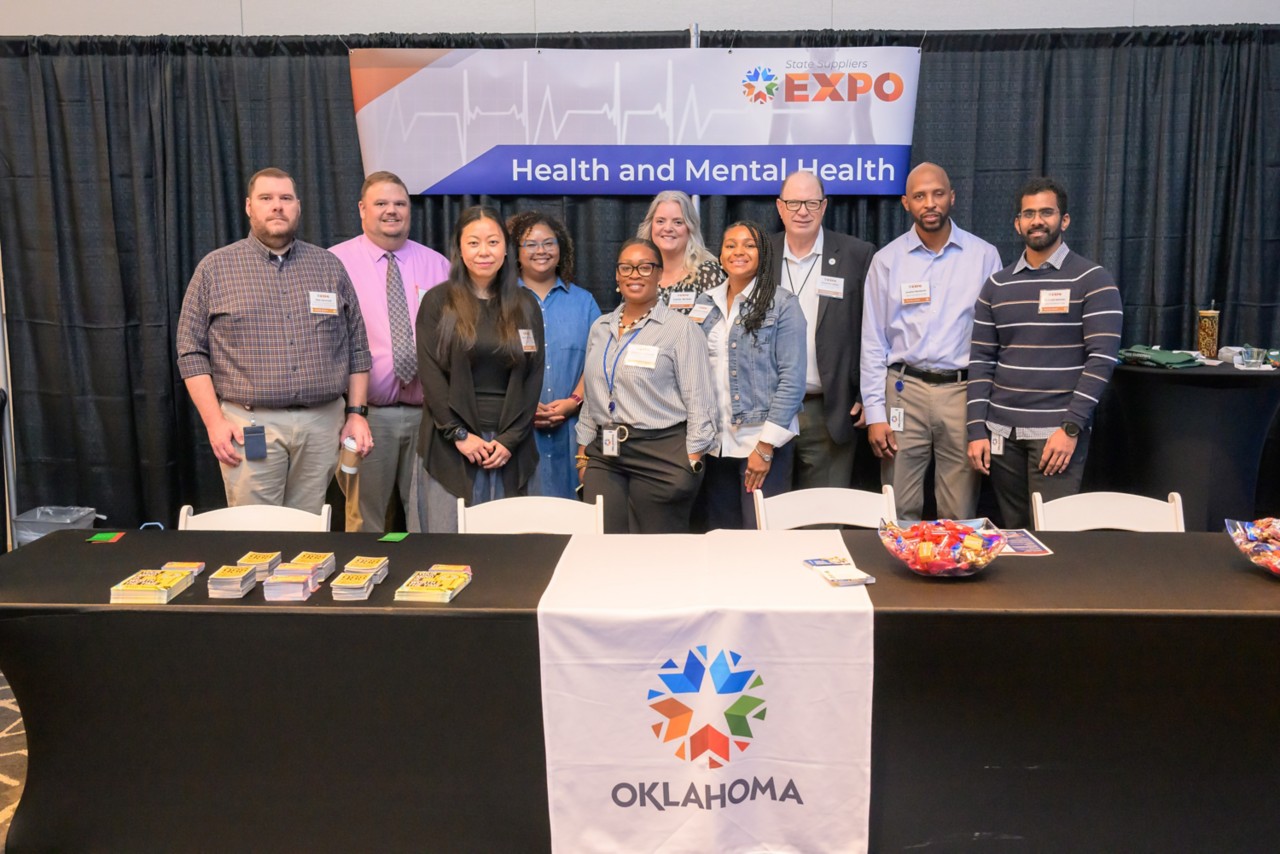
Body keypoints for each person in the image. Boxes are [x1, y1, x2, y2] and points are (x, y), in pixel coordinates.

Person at [177, 167, 372, 513]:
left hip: (321, 425)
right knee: (257, 533)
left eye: (285, 198)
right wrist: (213, 422)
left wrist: (357, 413)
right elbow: (191, 351)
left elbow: (357, 347)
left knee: (309, 530)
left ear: (298, 206)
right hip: (249, 426)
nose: (277, 206)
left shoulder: (329, 267)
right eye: (266, 198)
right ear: (249, 207)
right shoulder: (215, 268)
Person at [966, 177, 1124, 528]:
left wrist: (1070, 428)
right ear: (1017, 223)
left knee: (1055, 536)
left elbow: (1101, 360)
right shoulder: (997, 285)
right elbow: (981, 362)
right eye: (1028, 213)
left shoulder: (1094, 280)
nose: (1037, 220)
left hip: (1056, 434)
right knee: (1014, 532)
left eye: (1046, 212)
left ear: (1063, 220)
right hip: (1000, 434)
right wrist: (976, 431)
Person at [860, 162, 1003, 521]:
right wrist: (875, 412)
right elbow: (873, 340)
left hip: (962, 393)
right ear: (905, 203)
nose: (930, 203)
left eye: (938, 193)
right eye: (920, 196)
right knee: (900, 505)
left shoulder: (984, 256)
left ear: (952, 197)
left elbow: (997, 339)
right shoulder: (886, 261)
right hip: (903, 391)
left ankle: (956, 572)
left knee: (959, 506)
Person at [329, 171, 450, 532]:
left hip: (427, 417)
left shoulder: (438, 265)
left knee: (427, 519)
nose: (391, 211)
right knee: (366, 521)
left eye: (400, 203)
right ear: (362, 209)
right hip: (366, 417)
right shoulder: (333, 263)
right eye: (381, 203)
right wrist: (354, 410)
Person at [416, 206, 544, 532]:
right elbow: (431, 376)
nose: (484, 252)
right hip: (452, 445)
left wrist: (510, 440)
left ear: (506, 249)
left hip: (508, 448)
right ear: (459, 249)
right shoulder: (437, 302)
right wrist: (459, 435)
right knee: (450, 549)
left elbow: (533, 376)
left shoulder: (526, 305)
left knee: (509, 553)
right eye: (473, 243)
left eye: (493, 242)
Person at [577, 238, 717, 533]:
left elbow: (700, 402)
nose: (634, 274)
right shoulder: (600, 328)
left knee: (658, 556)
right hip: (607, 453)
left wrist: (691, 460)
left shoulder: (681, 329)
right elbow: (593, 395)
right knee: (604, 547)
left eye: (644, 267)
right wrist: (582, 453)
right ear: (616, 275)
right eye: (626, 267)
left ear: (658, 274)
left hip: (663, 454)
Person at [768, 170, 876, 491]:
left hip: (829, 410)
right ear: (779, 207)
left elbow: (874, 331)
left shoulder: (857, 255)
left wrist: (866, 395)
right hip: (768, 411)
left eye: (812, 203)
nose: (803, 211)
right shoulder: (760, 254)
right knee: (768, 518)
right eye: (794, 203)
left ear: (825, 206)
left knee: (823, 520)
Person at [694, 221, 806, 529]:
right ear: (720, 255)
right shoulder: (705, 303)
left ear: (763, 254)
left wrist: (765, 447)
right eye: (730, 245)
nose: (738, 251)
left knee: (761, 538)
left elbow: (792, 380)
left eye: (749, 245)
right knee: (721, 537)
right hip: (715, 444)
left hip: (760, 443)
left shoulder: (782, 304)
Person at [509, 211, 601, 499]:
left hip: (575, 431)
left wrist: (574, 401)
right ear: (516, 252)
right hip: (518, 431)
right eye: (530, 244)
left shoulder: (583, 301)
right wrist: (524, 405)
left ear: (561, 250)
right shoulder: (500, 301)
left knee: (575, 516)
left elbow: (603, 360)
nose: (541, 251)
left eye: (549, 243)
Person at [635, 190, 725, 313]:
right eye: (660, 221)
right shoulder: (638, 272)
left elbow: (715, 327)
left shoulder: (707, 273)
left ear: (690, 228)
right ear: (651, 226)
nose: (667, 228)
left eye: (678, 222)